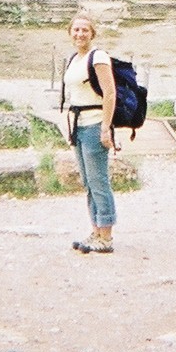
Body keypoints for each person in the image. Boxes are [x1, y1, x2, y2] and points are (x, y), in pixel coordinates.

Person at [61, 13, 117, 254]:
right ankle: (95, 231)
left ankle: (106, 237)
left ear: (92, 33)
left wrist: (105, 127)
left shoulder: (98, 57)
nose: (80, 34)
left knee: (99, 181)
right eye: (76, 30)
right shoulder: (74, 58)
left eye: (85, 30)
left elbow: (110, 93)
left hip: (95, 124)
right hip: (79, 125)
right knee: (88, 182)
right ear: (70, 33)